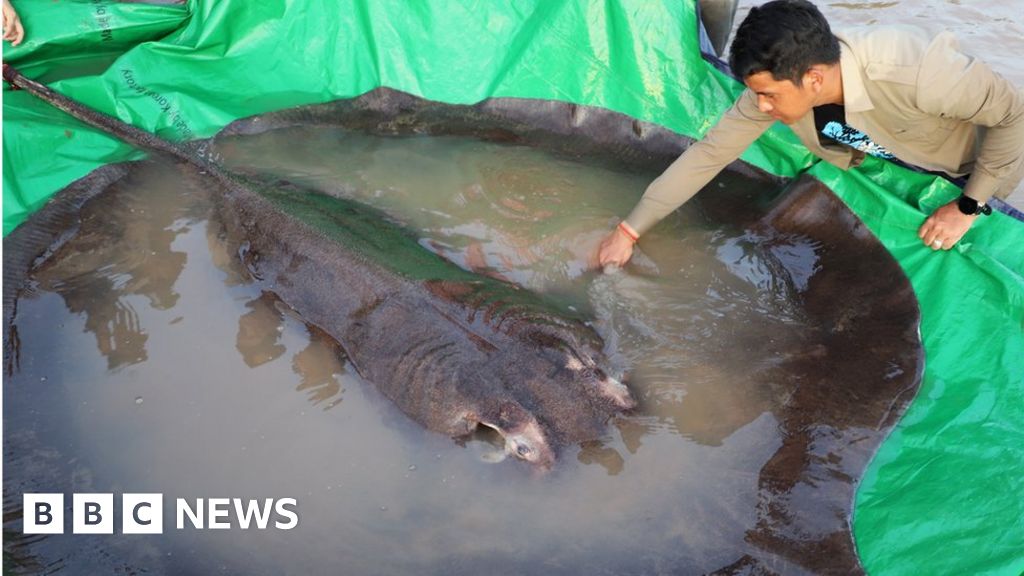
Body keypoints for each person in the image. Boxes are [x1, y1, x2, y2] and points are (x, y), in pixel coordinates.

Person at [598, 0, 1024, 267]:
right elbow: (709, 154)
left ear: (814, 79)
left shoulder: (918, 72)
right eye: (755, 94)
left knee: (970, 253)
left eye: (768, 96)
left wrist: (968, 206)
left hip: (974, 166)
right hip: (892, 154)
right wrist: (629, 230)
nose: (760, 107)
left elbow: (1015, 117)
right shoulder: (777, 83)